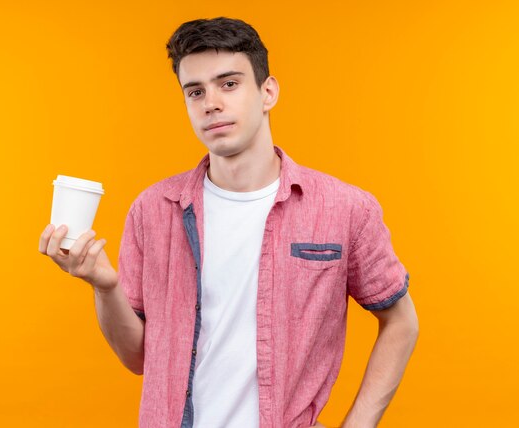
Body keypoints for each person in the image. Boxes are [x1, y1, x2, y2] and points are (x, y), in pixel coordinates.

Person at [38, 16, 419, 428]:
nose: (211, 103)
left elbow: (401, 321)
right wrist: (103, 286)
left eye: (229, 84)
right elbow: (137, 358)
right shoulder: (153, 209)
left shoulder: (345, 209)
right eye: (195, 91)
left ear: (267, 92)